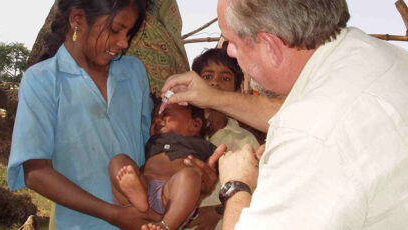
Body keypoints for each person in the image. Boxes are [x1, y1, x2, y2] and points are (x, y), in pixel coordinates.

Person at [161, 0, 408, 229]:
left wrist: (236, 186)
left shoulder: (312, 136)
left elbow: (313, 128)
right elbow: (296, 111)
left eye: (233, 43)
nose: (231, 53)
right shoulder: (364, 53)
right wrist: (213, 98)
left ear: (270, 45)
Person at [7, 0, 159, 229]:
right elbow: (37, 173)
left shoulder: (133, 72)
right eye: (115, 30)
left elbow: (148, 149)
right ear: (77, 20)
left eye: (129, 32)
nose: (123, 42)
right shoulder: (42, 80)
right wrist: (113, 214)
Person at [109, 102, 219, 230]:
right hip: (144, 185)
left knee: (190, 176)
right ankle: (137, 199)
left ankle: (166, 225)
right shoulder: (153, 141)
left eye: (165, 114)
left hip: (172, 196)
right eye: (154, 118)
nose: (157, 119)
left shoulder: (203, 146)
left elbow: (223, 168)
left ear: (195, 124)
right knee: (119, 160)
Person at [186, 48, 260, 230]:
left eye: (225, 78)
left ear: (237, 90)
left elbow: (258, 194)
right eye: (207, 76)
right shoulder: (180, 132)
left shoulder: (245, 142)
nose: (215, 84)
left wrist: (217, 211)